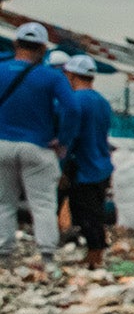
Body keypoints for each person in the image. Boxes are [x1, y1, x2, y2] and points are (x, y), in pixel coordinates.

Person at [0, 23, 73, 267]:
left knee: (4, 203)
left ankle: (4, 255)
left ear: (15, 44)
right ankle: (47, 257)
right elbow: (72, 108)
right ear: (43, 48)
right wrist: (62, 139)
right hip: (38, 146)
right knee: (42, 205)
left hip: (2, 144)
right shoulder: (52, 76)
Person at [59, 56, 115, 270]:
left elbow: (70, 137)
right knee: (96, 212)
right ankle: (96, 252)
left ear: (71, 75)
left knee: (84, 213)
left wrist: (63, 167)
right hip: (101, 164)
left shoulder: (76, 101)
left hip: (84, 166)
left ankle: (95, 254)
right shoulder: (102, 102)